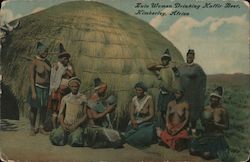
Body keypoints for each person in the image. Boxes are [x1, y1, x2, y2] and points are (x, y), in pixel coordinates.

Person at [189, 86, 229, 160]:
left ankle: (218, 151)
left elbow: (226, 126)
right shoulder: (206, 108)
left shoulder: (223, 110)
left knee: (206, 155)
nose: (213, 99)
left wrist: (216, 124)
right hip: (206, 134)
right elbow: (199, 119)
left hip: (217, 136)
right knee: (192, 150)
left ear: (219, 99)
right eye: (212, 97)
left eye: (216, 97)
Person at [85, 78, 123, 148]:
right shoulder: (92, 100)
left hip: (99, 126)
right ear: (98, 89)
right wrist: (107, 110)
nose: (105, 92)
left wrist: (109, 108)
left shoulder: (99, 99)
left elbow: (101, 110)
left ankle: (103, 142)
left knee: (118, 136)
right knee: (116, 137)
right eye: (104, 90)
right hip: (93, 128)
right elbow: (95, 116)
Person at [50, 77, 87, 147]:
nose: (74, 88)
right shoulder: (65, 98)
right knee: (56, 139)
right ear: (69, 87)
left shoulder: (83, 98)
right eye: (72, 86)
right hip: (66, 124)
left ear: (79, 86)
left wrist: (76, 125)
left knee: (76, 141)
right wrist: (63, 125)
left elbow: (85, 115)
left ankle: (71, 137)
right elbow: (61, 114)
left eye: (76, 86)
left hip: (77, 125)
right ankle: (61, 134)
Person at [178, 49, 206, 135]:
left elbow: (203, 78)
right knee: (184, 111)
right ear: (186, 56)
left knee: (193, 112)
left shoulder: (197, 68)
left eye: (191, 56)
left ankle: (193, 130)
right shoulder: (182, 67)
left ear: (193, 57)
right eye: (188, 56)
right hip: (184, 94)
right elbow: (177, 76)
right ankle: (185, 130)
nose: (189, 57)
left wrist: (201, 90)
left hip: (193, 94)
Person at [47, 43, 74, 129]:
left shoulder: (68, 67)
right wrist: (53, 91)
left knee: (62, 110)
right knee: (55, 110)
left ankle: (61, 127)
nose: (67, 60)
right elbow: (53, 79)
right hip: (57, 91)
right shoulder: (56, 66)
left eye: (68, 58)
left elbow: (72, 75)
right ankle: (54, 128)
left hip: (65, 92)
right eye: (65, 58)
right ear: (61, 58)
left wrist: (68, 70)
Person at [147, 49, 175, 129]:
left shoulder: (171, 69)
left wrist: (166, 66)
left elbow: (175, 78)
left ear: (169, 60)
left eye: (166, 59)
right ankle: (164, 127)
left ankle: (169, 127)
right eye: (163, 59)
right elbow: (148, 67)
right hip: (162, 92)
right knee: (161, 111)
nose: (164, 60)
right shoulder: (161, 69)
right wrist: (160, 65)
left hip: (169, 92)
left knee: (168, 111)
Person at [27, 42, 51, 136]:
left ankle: (41, 127)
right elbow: (31, 78)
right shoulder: (34, 62)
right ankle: (32, 128)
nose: (46, 53)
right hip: (36, 88)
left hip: (46, 89)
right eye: (45, 51)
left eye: (47, 51)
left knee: (44, 109)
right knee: (34, 109)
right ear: (39, 51)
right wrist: (33, 92)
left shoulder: (47, 62)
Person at [124, 82, 156, 148]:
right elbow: (131, 113)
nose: (137, 92)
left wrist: (141, 121)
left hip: (146, 123)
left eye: (140, 90)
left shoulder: (149, 99)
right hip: (135, 122)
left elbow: (151, 115)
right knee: (128, 136)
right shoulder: (134, 99)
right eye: (136, 90)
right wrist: (133, 121)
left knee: (139, 137)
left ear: (144, 91)